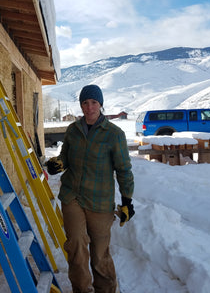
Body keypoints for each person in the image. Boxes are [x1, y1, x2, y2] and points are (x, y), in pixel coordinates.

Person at [46, 84, 135, 293]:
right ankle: (81, 289)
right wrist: (57, 164)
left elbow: (124, 170)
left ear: (100, 105)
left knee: (99, 254)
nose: (89, 107)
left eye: (93, 102)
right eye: (85, 103)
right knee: (76, 247)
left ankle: (106, 289)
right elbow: (65, 158)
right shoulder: (73, 130)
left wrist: (127, 202)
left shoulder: (114, 134)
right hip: (72, 196)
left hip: (100, 200)